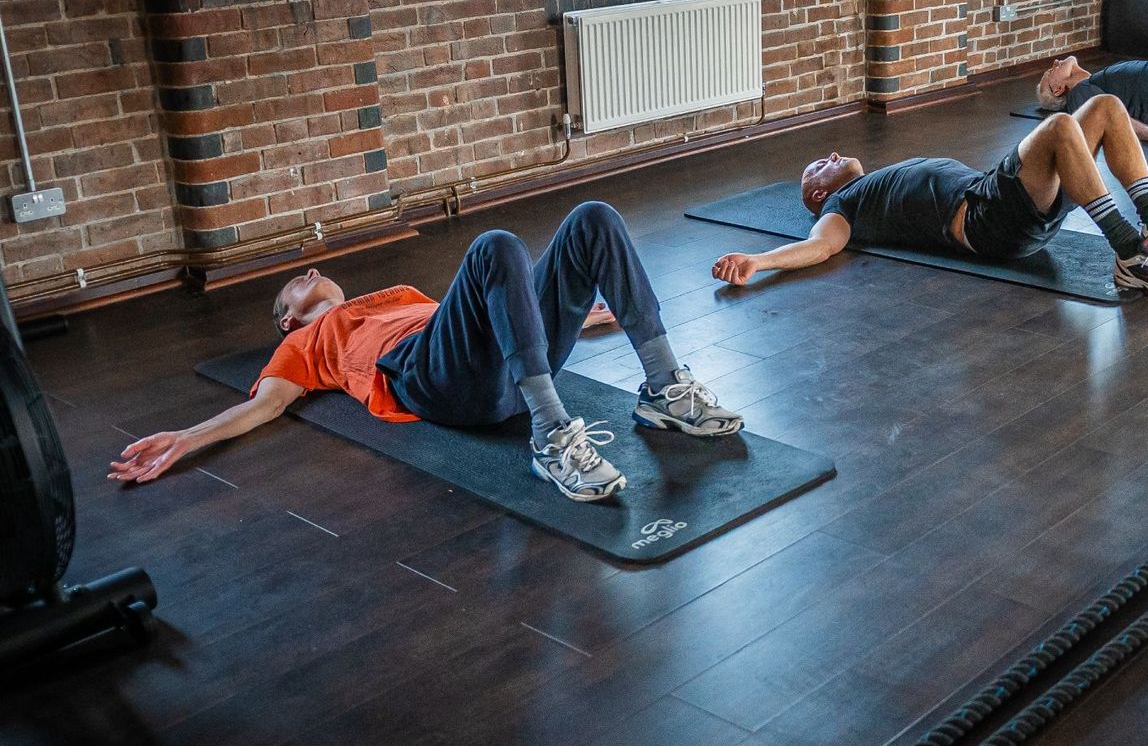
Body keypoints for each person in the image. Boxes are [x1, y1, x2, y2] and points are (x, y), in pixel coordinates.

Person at [110, 201, 745, 504]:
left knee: (594, 220)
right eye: (296, 284)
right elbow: (263, 408)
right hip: (432, 380)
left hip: (496, 367)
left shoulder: (398, 293)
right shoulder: (305, 343)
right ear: (287, 320)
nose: (308, 274)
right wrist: (185, 439)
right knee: (497, 244)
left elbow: (496, 313)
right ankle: (553, 438)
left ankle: (665, 387)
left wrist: (581, 315)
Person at [711, 93, 1148, 296]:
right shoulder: (847, 206)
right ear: (819, 195)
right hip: (986, 218)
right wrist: (758, 261)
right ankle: (1131, 253)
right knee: (1062, 125)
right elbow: (821, 247)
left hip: (1005, 203)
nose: (830, 153)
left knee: (1106, 106)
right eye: (818, 167)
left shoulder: (869, 184)